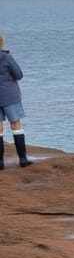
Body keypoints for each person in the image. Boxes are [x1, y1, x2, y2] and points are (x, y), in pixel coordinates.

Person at [0, 34, 27, 170]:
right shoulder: (6, 57)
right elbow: (19, 74)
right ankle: (23, 159)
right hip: (10, 96)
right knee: (16, 124)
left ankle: (0, 163)